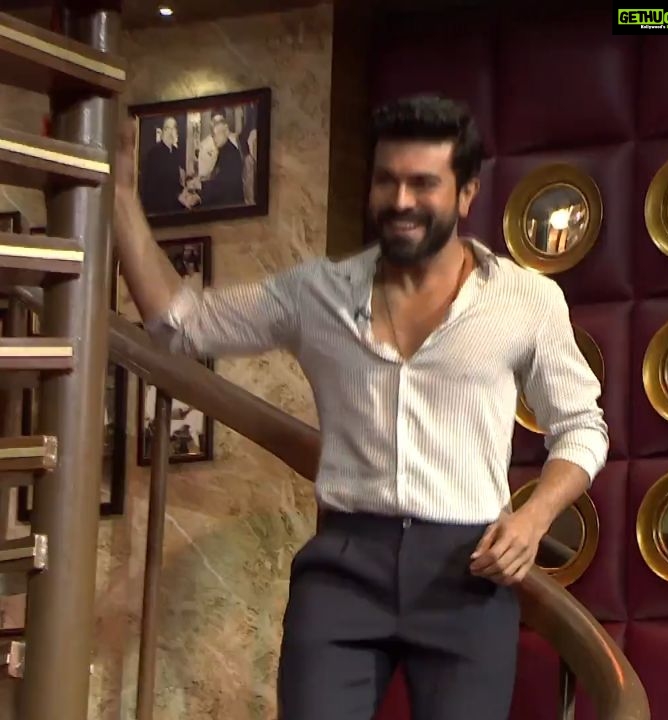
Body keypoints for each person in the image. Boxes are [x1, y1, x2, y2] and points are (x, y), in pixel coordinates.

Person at [113, 95, 608, 720]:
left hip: (468, 573)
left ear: (466, 195)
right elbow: (179, 324)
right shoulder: (314, 292)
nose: (400, 201)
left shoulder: (527, 300)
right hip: (344, 568)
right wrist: (120, 194)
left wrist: (534, 518)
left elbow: (581, 427)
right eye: (386, 181)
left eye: (423, 183)